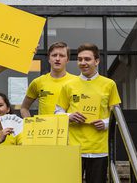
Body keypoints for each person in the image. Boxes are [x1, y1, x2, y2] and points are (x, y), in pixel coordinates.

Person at [55, 43, 121, 183]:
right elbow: (57, 112)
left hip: (99, 149)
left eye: (87, 59)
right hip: (73, 148)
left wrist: (105, 123)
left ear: (96, 61)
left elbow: (117, 114)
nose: (83, 63)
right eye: (80, 59)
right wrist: (69, 116)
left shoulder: (109, 84)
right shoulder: (68, 86)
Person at [20, 41, 76, 118]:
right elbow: (24, 108)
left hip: (68, 129)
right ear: (49, 59)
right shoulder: (38, 82)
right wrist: (31, 125)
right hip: (45, 129)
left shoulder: (77, 82)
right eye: (54, 55)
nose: (57, 59)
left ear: (67, 60)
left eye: (62, 56)